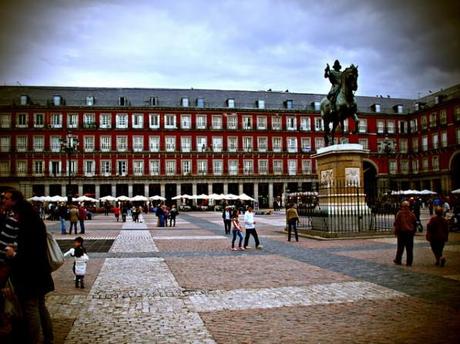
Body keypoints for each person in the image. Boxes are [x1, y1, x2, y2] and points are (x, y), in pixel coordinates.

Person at [1, 188, 54, 343]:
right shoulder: (35, 220)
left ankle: (35, 340)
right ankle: (49, 338)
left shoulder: (19, 221)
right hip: (41, 271)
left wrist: (14, 254)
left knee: (31, 308)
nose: (3, 200)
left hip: (29, 272)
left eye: (6, 198)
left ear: (15, 201)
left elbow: (27, 250)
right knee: (41, 306)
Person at [393, 200, 417, 266]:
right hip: (409, 233)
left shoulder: (400, 213)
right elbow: (415, 223)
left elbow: (397, 223)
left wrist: (396, 231)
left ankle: (398, 260)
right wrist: (413, 231)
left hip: (402, 232)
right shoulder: (411, 214)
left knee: (400, 247)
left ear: (402, 206)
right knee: (409, 248)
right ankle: (409, 262)